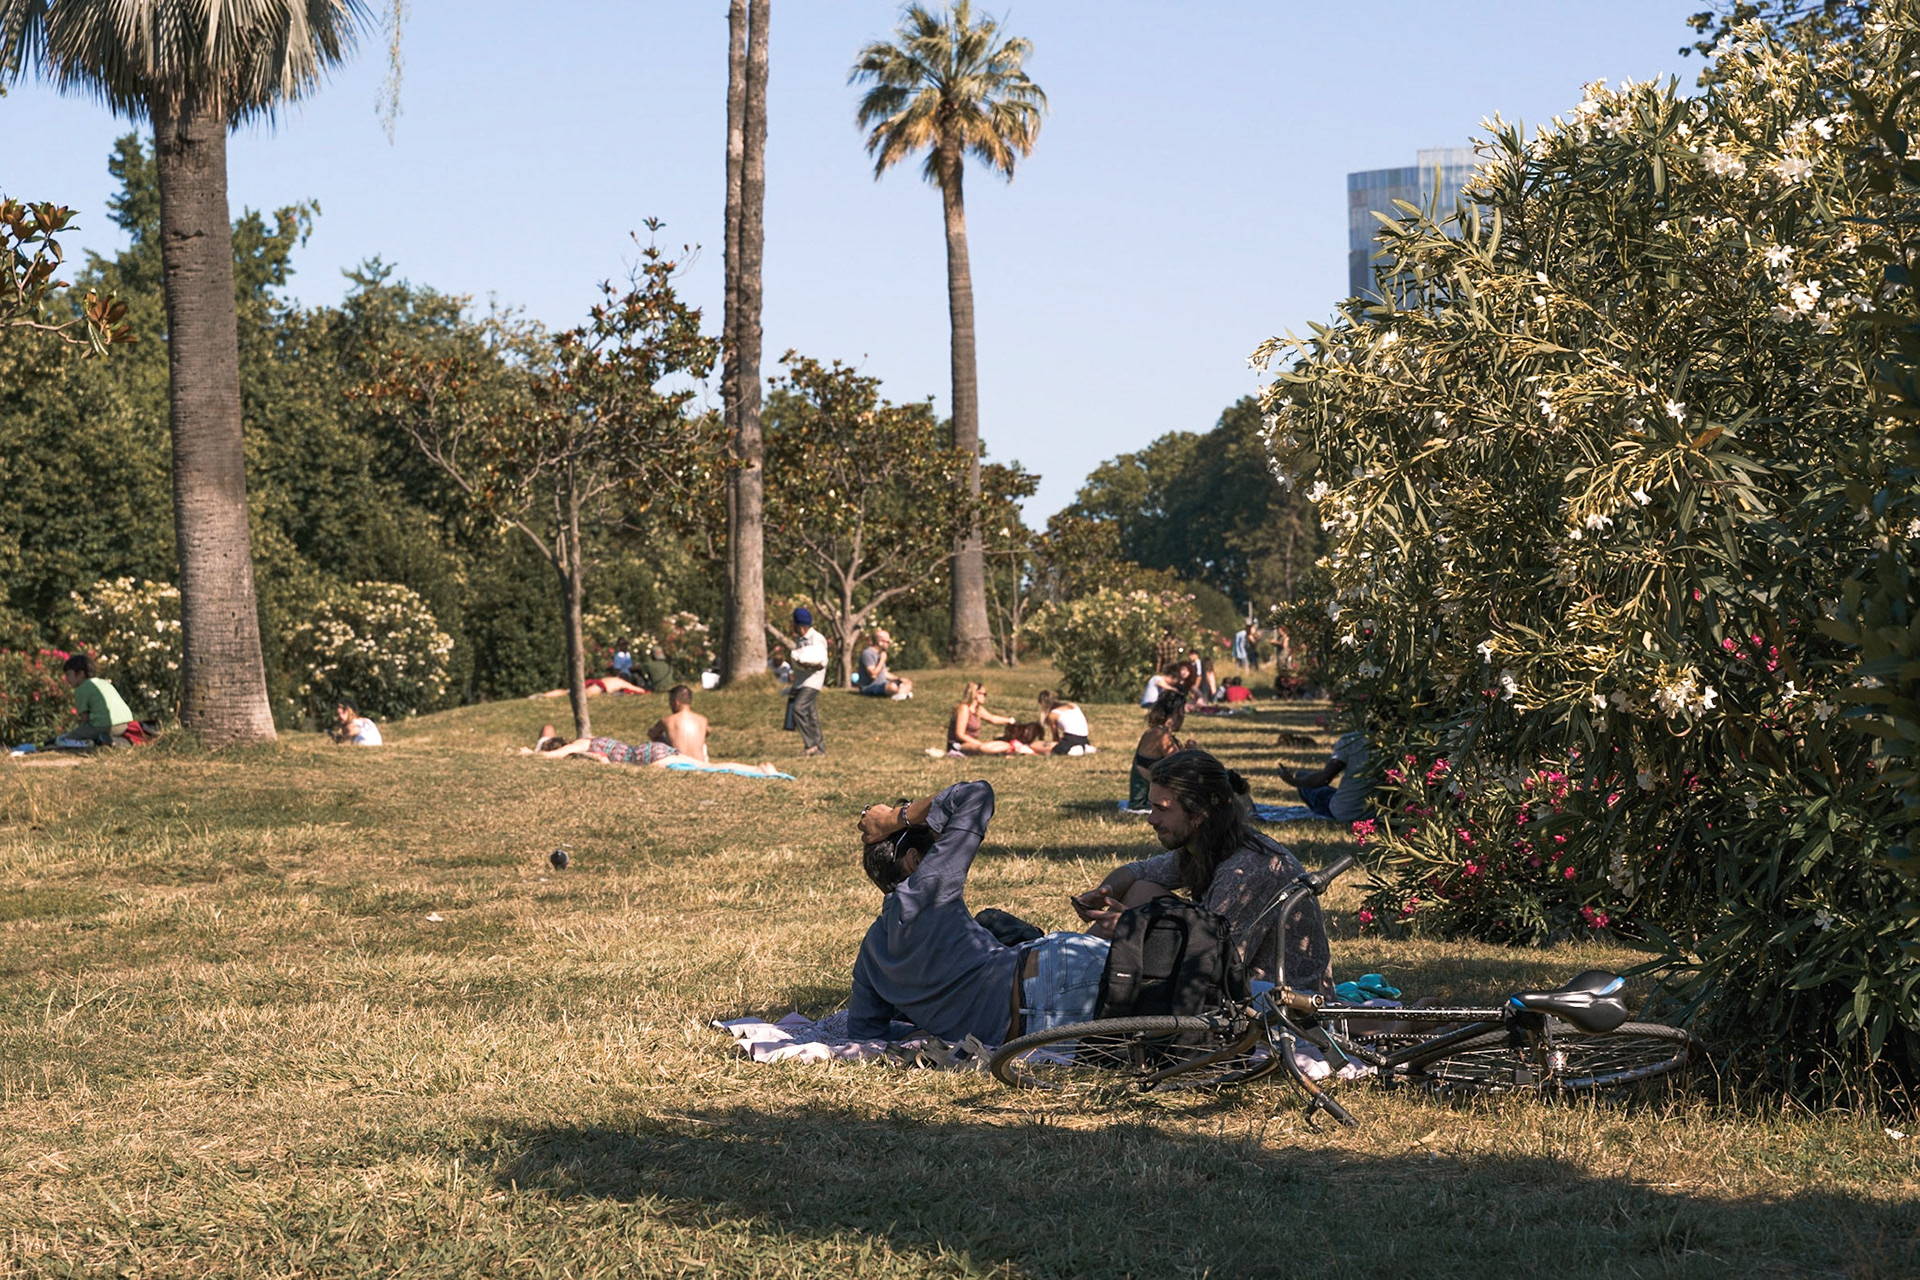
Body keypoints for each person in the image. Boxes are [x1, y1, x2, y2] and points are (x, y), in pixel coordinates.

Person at [850, 781, 1111, 1043]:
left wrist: (924, 1033)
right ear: (915, 860)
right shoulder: (927, 888)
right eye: (939, 841)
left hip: (1029, 1034)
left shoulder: (871, 952)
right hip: (1055, 976)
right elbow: (975, 794)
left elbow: (864, 1036)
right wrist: (895, 818)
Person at [1073, 748, 1333, 994]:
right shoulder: (1205, 844)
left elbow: (1210, 958)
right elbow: (1139, 872)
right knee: (1141, 890)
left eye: (1162, 809)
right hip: (1233, 976)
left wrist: (1136, 928)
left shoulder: (1244, 872)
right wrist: (1104, 892)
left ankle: (1075, 981)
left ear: (1198, 814)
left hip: (1281, 999)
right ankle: (1072, 969)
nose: (1151, 819)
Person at [523, 724, 781, 774]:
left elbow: (554, 755)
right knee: (707, 766)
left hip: (648, 758)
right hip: (653, 750)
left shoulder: (581, 744)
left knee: (709, 770)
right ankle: (759, 769)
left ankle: (760, 770)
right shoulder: (590, 742)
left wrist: (529, 755)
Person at [1279, 729, 1373, 823]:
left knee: (1302, 775)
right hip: (1375, 813)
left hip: (1345, 812)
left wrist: (1292, 781)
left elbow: (1322, 780)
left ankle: (1319, 813)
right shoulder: (1386, 746)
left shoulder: (1351, 740)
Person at [1127, 690, 1188, 813]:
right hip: (1143, 800)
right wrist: (1194, 751)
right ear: (1178, 712)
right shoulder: (1161, 735)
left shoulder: (1157, 732)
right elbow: (1182, 763)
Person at [55, 654, 134, 747]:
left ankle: (87, 743)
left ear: (80, 674)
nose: (66, 679)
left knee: (67, 739)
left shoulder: (81, 689)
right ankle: (117, 741)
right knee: (98, 733)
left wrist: (77, 733)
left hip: (104, 726)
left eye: (68, 674)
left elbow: (85, 719)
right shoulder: (104, 682)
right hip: (124, 725)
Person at [947, 681, 1038, 757]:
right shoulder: (964, 708)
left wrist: (1010, 720)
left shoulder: (978, 709)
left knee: (1000, 744)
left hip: (973, 743)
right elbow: (960, 734)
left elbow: (992, 718)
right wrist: (978, 743)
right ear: (975, 694)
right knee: (983, 748)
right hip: (959, 745)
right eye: (984, 694)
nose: (985, 697)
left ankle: (1014, 748)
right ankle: (1013, 750)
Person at [787, 607, 828, 757]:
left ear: (799, 625)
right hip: (802, 681)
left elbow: (821, 661)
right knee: (811, 715)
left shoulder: (816, 639)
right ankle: (820, 749)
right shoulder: (800, 640)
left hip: (813, 681)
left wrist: (807, 665)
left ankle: (811, 744)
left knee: (799, 708)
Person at [649, 685, 709, 762]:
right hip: (700, 763)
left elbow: (652, 734)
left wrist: (666, 742)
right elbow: (708, 732)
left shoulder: (667, 721)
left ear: (676, 703)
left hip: (678, 762)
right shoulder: (703, 720)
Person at [855, 629, 913, 700]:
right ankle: (902, 693)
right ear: (880, 642)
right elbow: (873, 675)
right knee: (892, 687)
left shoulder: (880, 653)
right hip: (870, 687)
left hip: (883, 684)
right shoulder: (868, 654)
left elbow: (883, 672)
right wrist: (882, 660)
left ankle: (900, 693)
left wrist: (898, 679)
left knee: (908, 683)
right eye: (887, 642)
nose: (889, 644)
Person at [1036, 690, 1093, 756]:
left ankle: (1072, 748)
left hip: (1071, 739)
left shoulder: (1052, 714)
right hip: (1084, 739)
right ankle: (1083, 747)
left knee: (1036, 746)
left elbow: (1055, 738)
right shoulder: (1073, 706)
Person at [531, 674, 649, 699]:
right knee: (586, 695)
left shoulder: (612, 677)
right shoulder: (622, 683)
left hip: (593, 682)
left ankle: (545, 695)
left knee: (567, 692)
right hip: (599, 686)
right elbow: (639, 690)